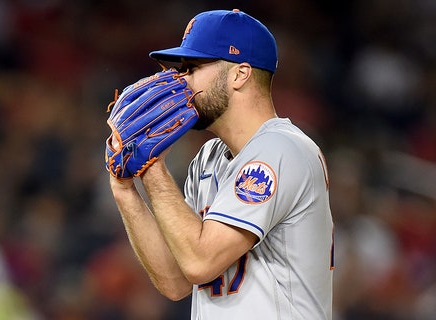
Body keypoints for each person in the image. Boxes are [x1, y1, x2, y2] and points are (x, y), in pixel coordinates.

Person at [108, 9, 334, 319]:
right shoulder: (208, 159)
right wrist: (125, 190)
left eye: (192, 67)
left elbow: (201, 262)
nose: (179, 80)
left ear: (240, 74)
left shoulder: (283, 148)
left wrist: (152, 167)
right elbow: (176, 280)